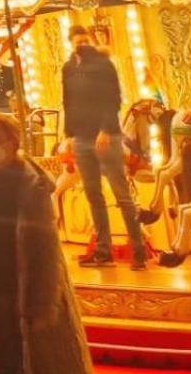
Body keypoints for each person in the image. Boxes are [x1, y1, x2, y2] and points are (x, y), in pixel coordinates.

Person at [0, 115, 101, 374]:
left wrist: (39, 305)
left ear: (12, 143)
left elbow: (42, 251)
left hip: (27, 296)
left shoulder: (30, 186)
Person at [62, 24, 147, 269]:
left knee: (121, 194)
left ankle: (138, 250)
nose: (82, 46)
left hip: (104, 136)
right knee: (93, 195)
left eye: (85, 41)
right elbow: (68, 101)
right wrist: (69, 134)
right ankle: (102, 250)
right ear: (72, 44)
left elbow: (113, 99)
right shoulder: (69, 68)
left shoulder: (103, 65)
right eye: (78, 42)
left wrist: (107, 129)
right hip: (81, 137)